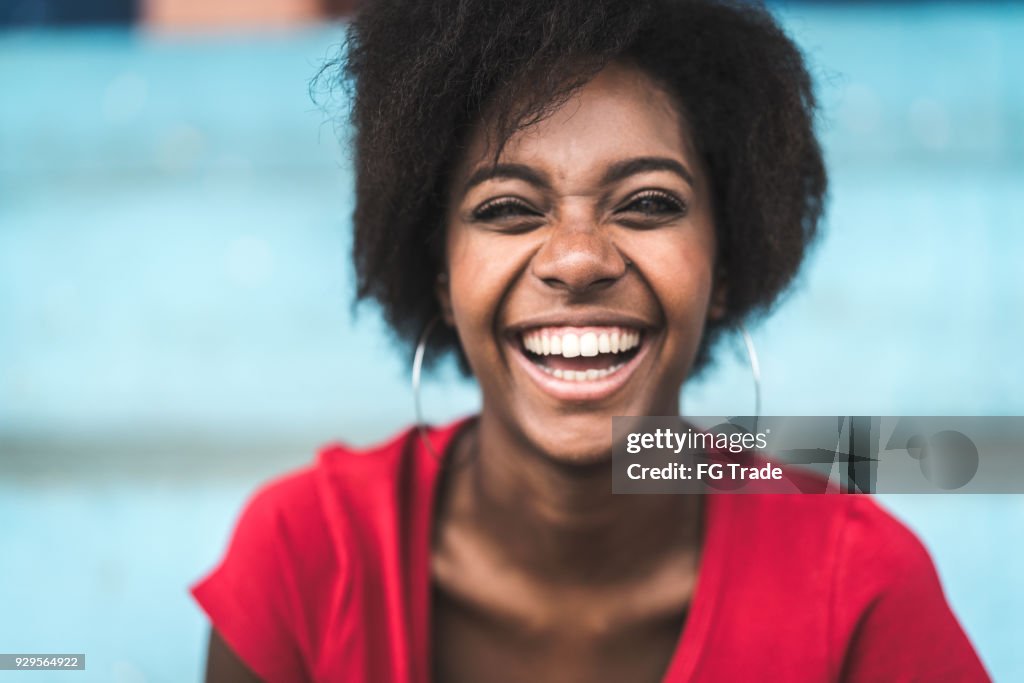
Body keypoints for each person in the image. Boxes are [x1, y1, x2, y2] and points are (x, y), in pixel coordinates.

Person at [191, 0, 990, 680]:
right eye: (507, 208)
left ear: (724, 263)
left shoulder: (856, 592)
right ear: (439, 272)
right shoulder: (305, 560)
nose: (577, 259)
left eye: (647, 202)